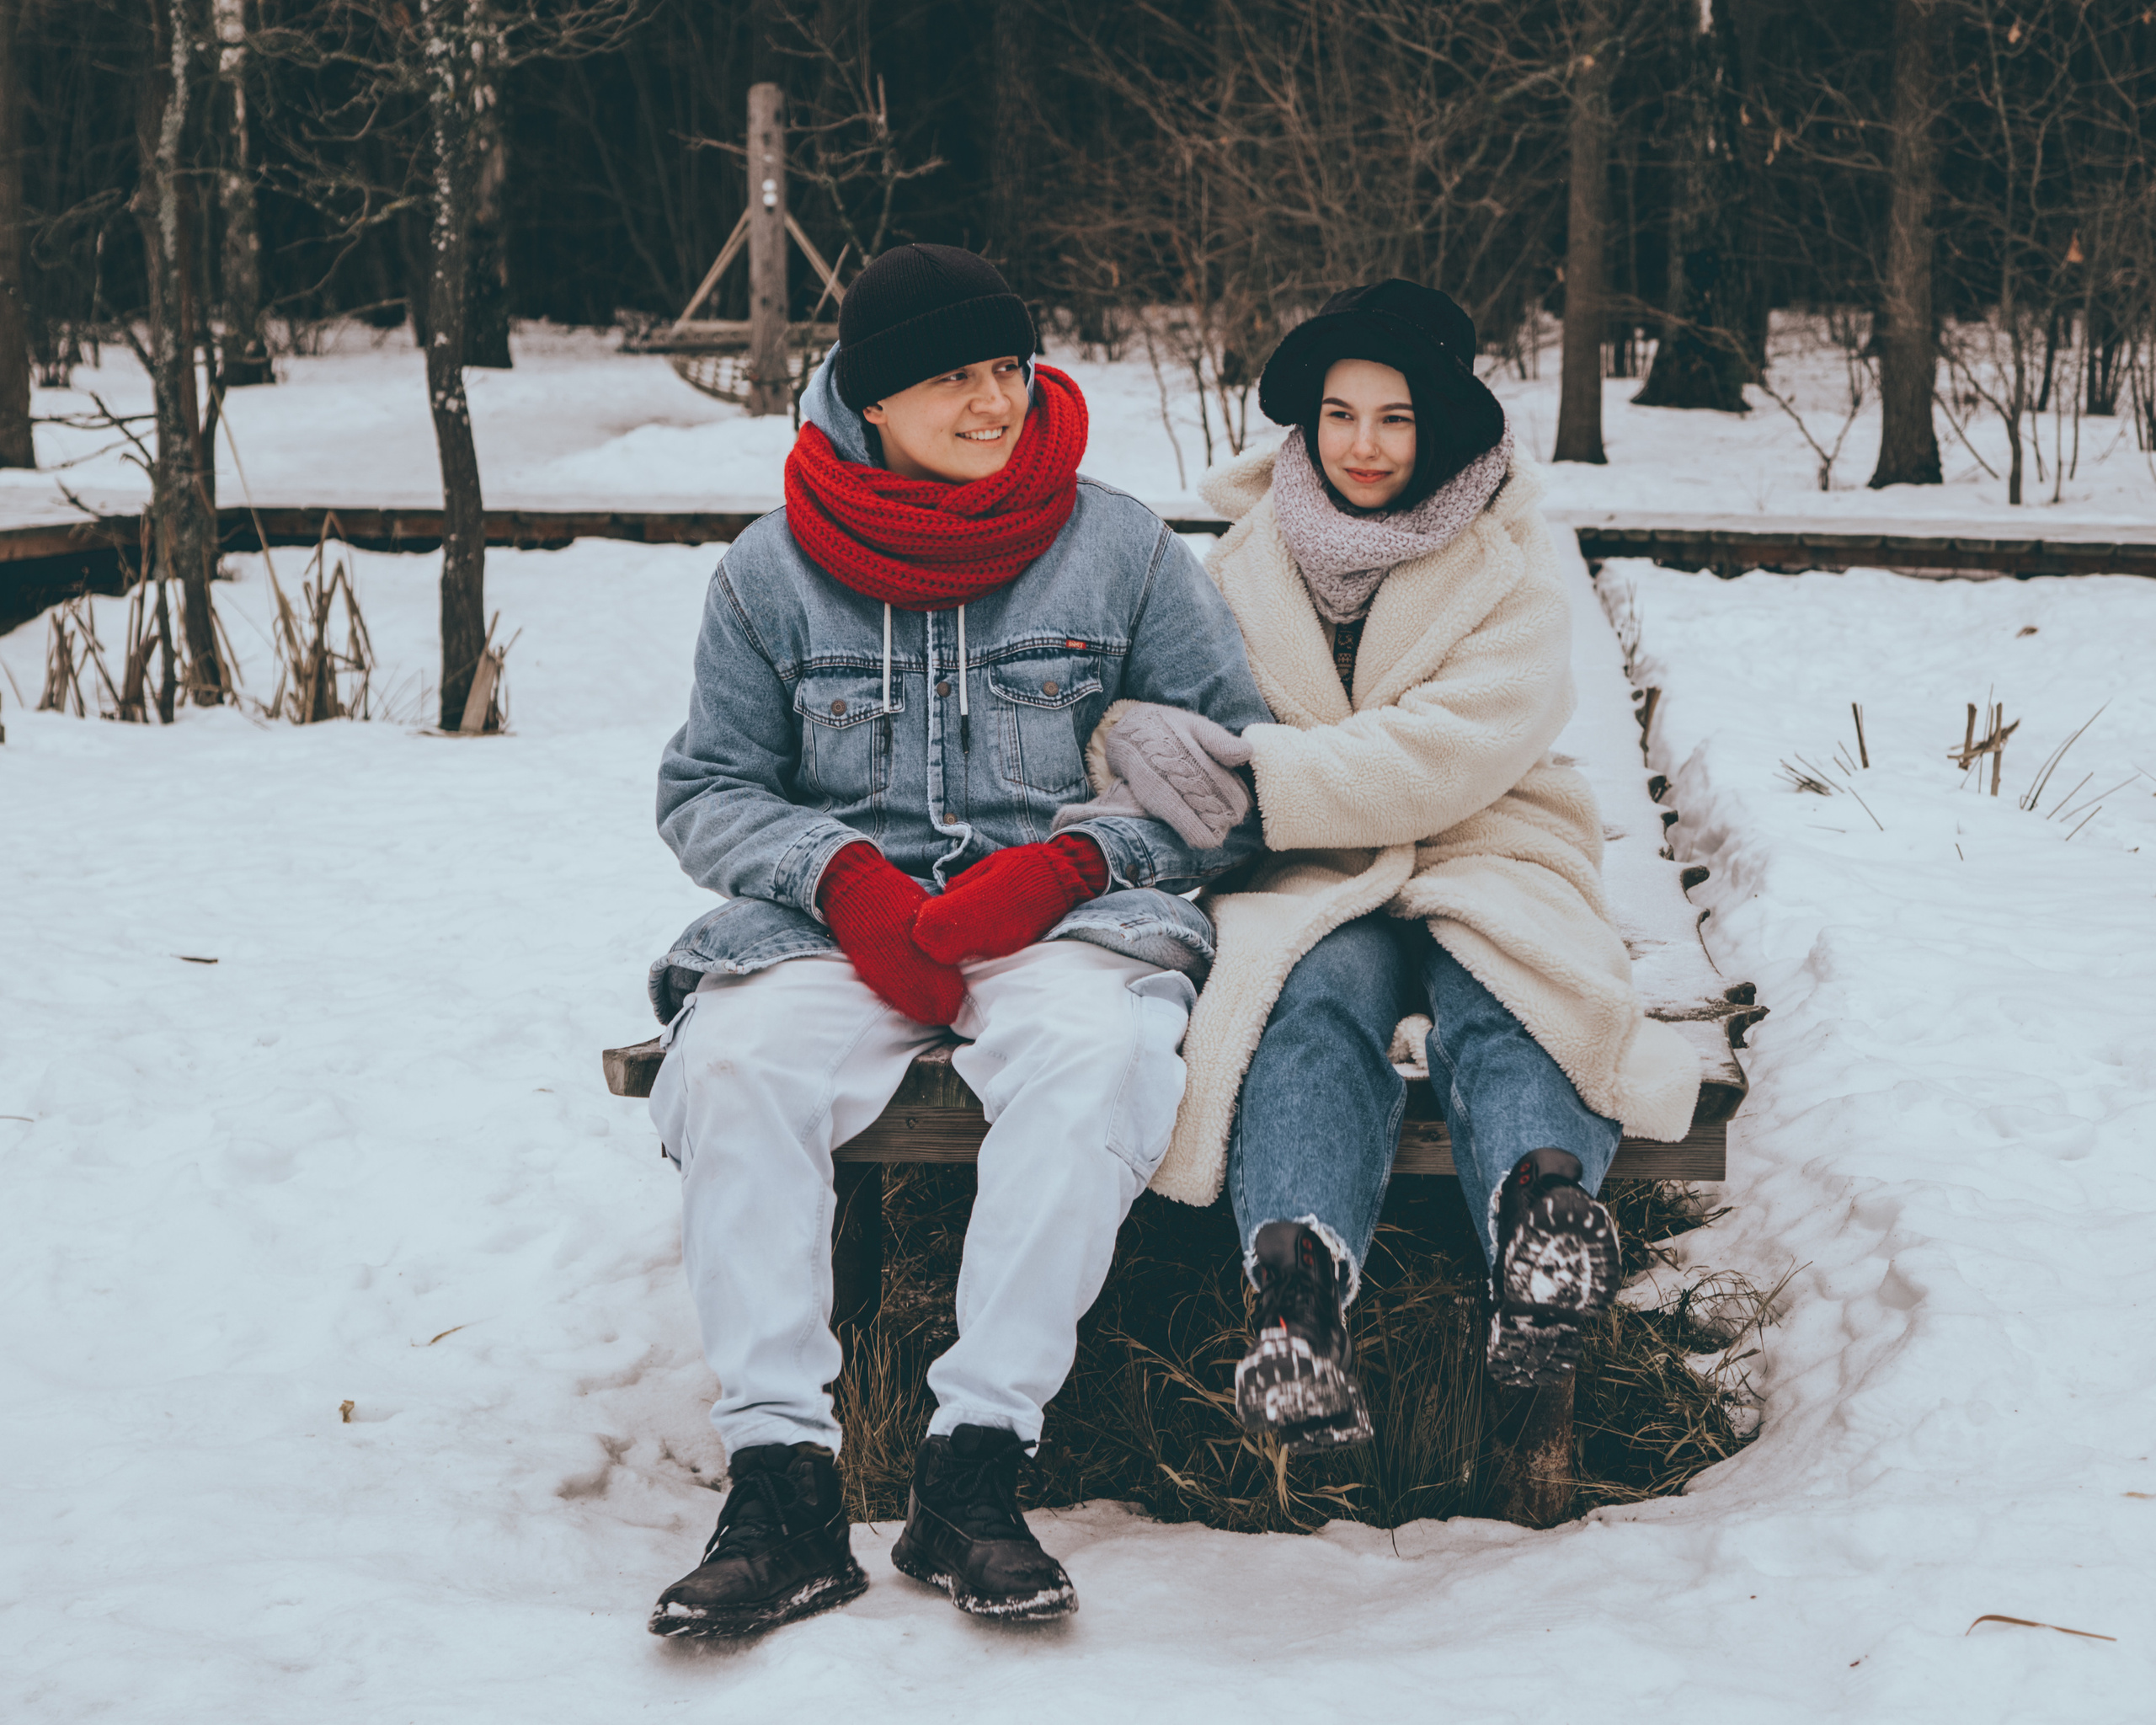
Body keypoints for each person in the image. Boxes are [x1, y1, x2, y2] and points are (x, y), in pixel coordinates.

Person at [642, 243, 1272, 1637]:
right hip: (839, 934)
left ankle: (974, 1471)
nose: (996, 402)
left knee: (1097, 1057)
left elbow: (1232, 779)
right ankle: (782, 1486)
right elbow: (707, 792)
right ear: (870, 404)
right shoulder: (770, 573)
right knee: (735, 1062)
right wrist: (843, 877)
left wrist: (1072, 861)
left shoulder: (1119, 548)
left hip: (1063, 924)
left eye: (1009, 368)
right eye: (953, 380)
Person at [1061, 281, 1702, 1453]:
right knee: (1302, 1007)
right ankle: (1297, 1302)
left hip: (1485, 837)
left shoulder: (1507, 567)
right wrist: (1145, 740)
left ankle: (1542, 1228)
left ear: (1444, 429)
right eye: (1339, 414)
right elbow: (1167, 709)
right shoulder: (1241, 565)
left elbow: (1450, 751)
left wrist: (1256, 772)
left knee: (1515, 995)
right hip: (1312, 867)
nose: (1362, 444)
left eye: (1395, 418)